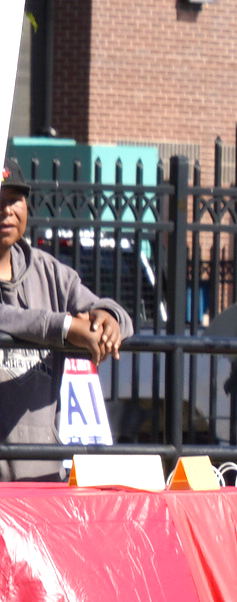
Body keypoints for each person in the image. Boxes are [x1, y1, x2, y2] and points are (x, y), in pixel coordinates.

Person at [0, 163, 133, 480]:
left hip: (42, 475)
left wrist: (108, 319)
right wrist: (63, 327)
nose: (6, 211)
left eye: (14, 199)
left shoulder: (47, 270)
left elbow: (107, 310)